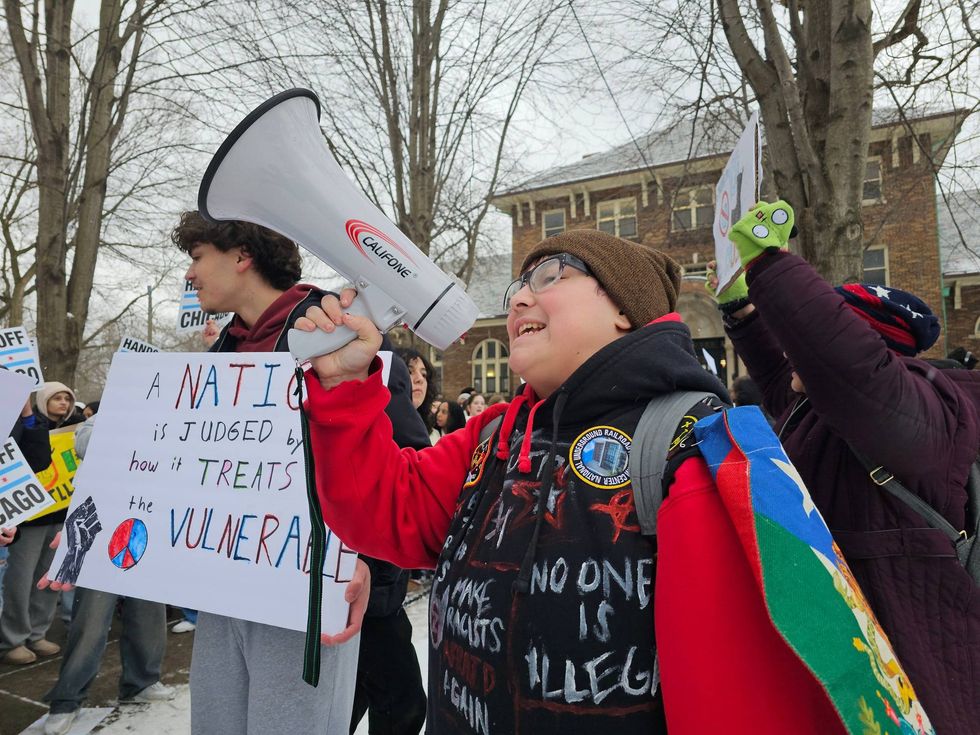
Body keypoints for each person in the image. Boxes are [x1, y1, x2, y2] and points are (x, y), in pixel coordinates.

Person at [295, 230, 728, 732]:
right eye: (518, 287)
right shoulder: (495, 434)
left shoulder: (696, 444)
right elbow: (385, 510)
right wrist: (343, 385)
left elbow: (737, 687)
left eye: (551, 276)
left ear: (624, 309)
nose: (519, 298)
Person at [708, 200, 979, 733]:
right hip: (848, 672)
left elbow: (840, 361)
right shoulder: (816, 410)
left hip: (924, 680)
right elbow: (777, 366)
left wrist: (769, 262)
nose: (795, 355)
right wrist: (742, 311)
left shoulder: (926, 413)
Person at [171, 210, 373, 735]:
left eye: (196, 258)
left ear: (242, 255)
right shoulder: (224, 348)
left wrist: (366, 560)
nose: (188, 275)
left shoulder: (334, 329)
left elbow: (393, 452)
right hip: (225, 583)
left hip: (305, 588)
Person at [40, 414, 175, 735]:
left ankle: (141, 682)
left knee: (149, 612)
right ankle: (67, 699)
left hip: (147, 521)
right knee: (91, 619)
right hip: (103, 521)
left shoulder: (171, 415)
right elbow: (82, 444)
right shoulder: (107, 414)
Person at [0, 382, 81, 665]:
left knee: (49, 574)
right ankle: (13, 638)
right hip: (27, 517)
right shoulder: (14, 420)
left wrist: (27, 417)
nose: (62, 403)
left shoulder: (67, 425)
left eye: (66, 398)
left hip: (59, 514)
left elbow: (40, 459)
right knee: (20, 580)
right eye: (56, 397)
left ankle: (37, 632)